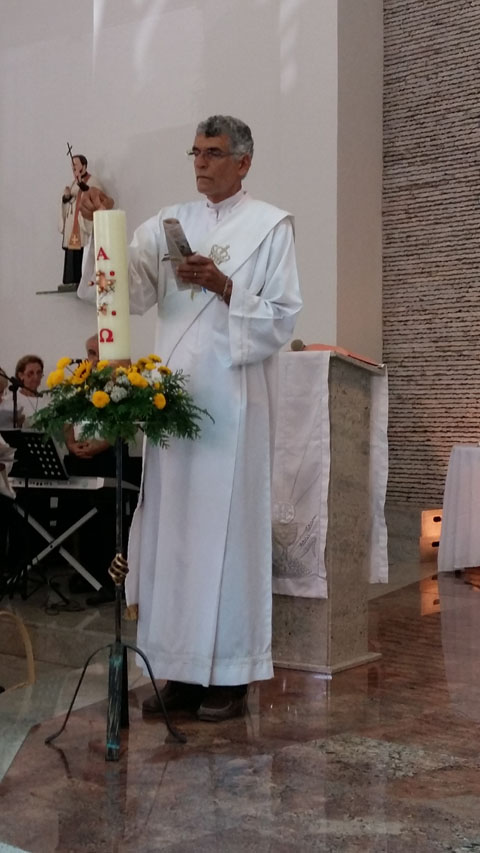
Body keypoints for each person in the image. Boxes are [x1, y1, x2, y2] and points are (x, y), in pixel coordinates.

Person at [80, 115, 303, 722]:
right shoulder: (166, 223)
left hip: (232, 404)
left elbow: (283, 316)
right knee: (173, 536)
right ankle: (177, 669)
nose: (201, 162)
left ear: (243, 162)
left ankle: (230, 676)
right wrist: (102, 227)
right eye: (196, 152)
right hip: (171, 406)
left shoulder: (270, 226)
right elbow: (125, 289)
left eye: (213, 153)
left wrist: (226, 287)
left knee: (227, 538)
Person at [60, 155, 103, 291]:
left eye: (76, 165)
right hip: (72, 225)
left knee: (83, 254)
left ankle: (82, 281)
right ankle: (70, 281)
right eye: (72, 166)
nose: (73, 168)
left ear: (84, 166)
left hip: (83, 225)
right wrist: (66, 197)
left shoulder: (93, 181)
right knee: (71, 254)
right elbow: (68, 202)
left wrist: (82, 185)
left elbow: (96, 197)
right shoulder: (73, 183)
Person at [14, 355, 47, 427]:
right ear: (21, 375)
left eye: (39, 373)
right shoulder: (12, 399)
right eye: (30, 373)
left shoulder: (47, 400)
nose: (36, 377)